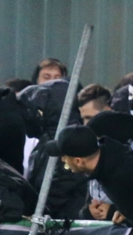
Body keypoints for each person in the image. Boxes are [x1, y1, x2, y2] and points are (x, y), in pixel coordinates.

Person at [19, 79, 87, 219]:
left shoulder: (72, 141)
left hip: (65, 226)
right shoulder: (46, 140)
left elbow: (62, 186)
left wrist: (36, 211)